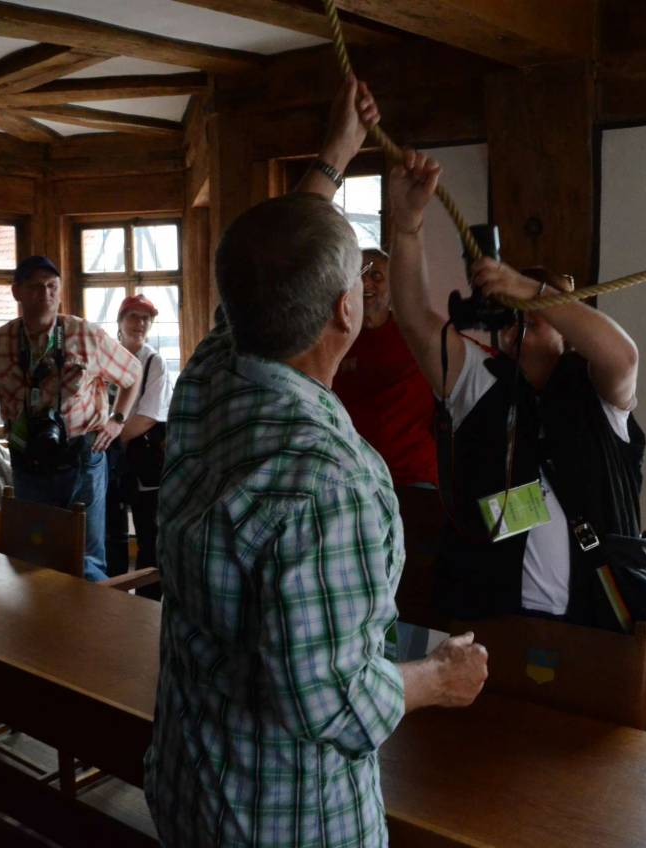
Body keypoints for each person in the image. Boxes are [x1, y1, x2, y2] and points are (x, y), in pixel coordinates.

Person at [145, 77, 489, 848]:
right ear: (346, 309)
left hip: (191, 788)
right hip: (288, 825)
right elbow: (332, 704)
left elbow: (258, 281)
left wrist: (335, 155)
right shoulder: (334, 480)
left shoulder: (204, 386)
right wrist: (441, 680)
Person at [386, 149, 645, 628]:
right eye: (515, 312)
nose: (522, 319)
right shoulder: (482, 381)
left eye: (540, 314)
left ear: (567, 333)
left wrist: (529, 290)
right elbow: (415, 320)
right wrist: (406, 225)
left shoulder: (596, 397)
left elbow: (622, 356)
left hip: (593, 627)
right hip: (494, 620)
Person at [0, 256, 141, 582]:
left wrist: (118, 420)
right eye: (35, 287)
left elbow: (132, 374)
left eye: (52, 286)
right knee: (35, 557)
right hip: (29, 464)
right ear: (17, 292)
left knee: (87, 561)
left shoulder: (85, 335)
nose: (45, 294)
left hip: (83, 459)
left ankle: (89, 615)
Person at [332, 247, 438, 488]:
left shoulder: (416, 335)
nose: (366, 282)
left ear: (393, 288)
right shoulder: (334, 338)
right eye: (359, 275)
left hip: (413, 475)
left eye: (376, 276)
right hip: (353, 477)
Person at [104, 293, 171, 582]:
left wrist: (107, 441)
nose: (140, 323)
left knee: (149, 538)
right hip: (108, 459)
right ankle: (111, 595)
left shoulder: (154, 363)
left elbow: (148, 417)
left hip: (143, 461)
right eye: (133, 316)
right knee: (111, 536)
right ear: (120, 321)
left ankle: (146, 601)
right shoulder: (105, 359)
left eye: (146, 318)